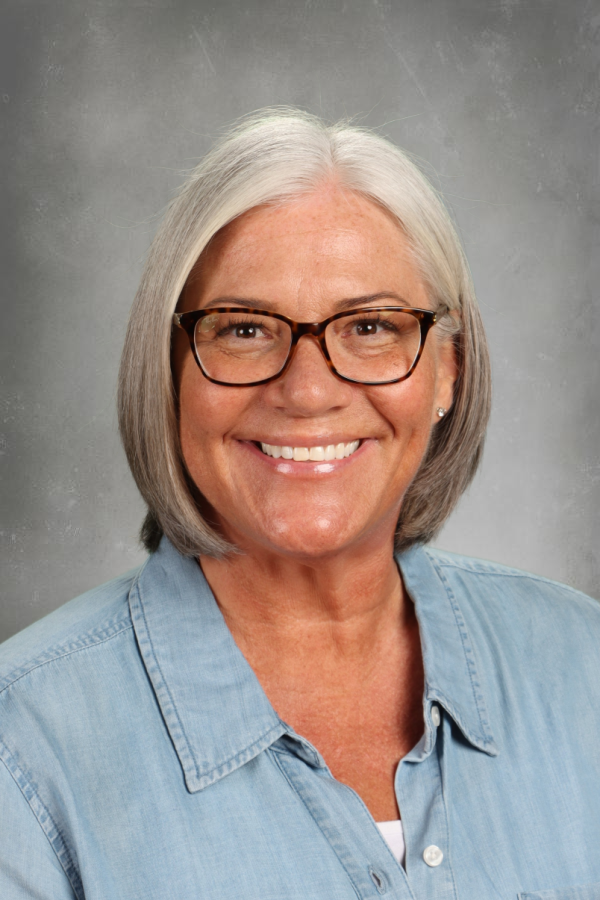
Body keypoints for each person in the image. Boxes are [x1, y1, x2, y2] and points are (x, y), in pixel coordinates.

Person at [1, 109, 599, 900]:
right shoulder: (24, 746)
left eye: (371, 326)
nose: (308, 391)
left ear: (447, 371)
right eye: (244, 328)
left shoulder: (584, 666)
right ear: (170, 369)